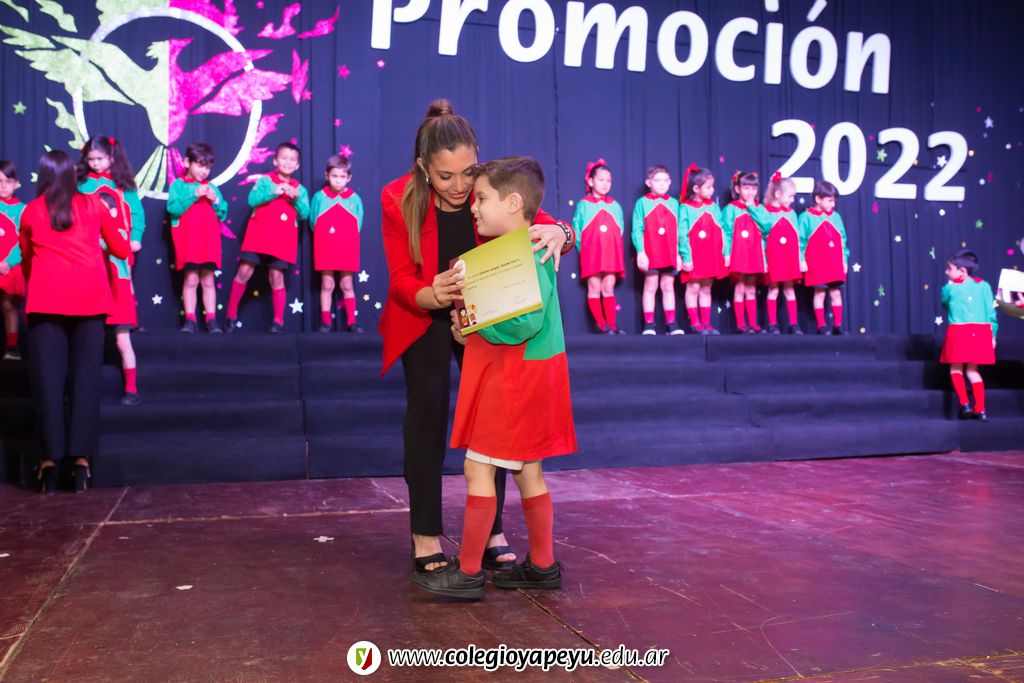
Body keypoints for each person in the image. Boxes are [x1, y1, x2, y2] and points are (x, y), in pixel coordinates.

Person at [378, 99, 573, 576]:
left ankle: (492, 532)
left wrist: (564, 233)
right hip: (425, 315)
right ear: (423, 168)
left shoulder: (489, 189)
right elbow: (400, 278)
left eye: (468, 173)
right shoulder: (397, 198)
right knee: (426, 414)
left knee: (494, 423)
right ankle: (425, 534)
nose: (461, 187)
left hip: (487, 322)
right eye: (445, 176)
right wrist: (431, 294)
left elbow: (541, 221)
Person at [413, 156, 576, 598]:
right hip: (525, 373)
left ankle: (467, 571)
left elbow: (523, 323)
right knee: (528, 469)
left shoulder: (524, 253)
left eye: (482, 198)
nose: (474, 206)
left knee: (478, 466)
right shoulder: (522, 249)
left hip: (515, 378)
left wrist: (476, 327)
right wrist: (469, 327)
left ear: (514, 203)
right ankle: (542, 565)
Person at [19, 150, 130, 492]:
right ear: (73, 174)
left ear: (43, 176)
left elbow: (27, 263)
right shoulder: (94, 205)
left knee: (48, 383)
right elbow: (122, 250)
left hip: (46, 302)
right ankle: (81, 460)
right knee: (86, 382)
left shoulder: (31, 210)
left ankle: (49, 462)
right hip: (90, 302)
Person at [77, 136, 145, 403]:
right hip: (89, 255)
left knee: (122, 295)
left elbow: (136, 214)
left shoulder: (123, 185)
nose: (95, 164)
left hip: (118, 254)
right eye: (91, 159)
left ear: (112, 158)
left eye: (100, 159)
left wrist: (134, 237)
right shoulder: (81, 184)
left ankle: (131, 388)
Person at [226, 142, 310, 333]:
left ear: (297, 165)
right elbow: (252, 200)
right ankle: (231, 315)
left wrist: (296, 199)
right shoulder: (265, 181)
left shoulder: (300, 189)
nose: (288, 162)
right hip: (258, 235)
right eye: (284, 157)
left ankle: (278, 321)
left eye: (292, 159)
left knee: (276, 276)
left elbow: (305, 213)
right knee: (244, 271)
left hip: (282, 240)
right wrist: (274, 192)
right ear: (275, 161)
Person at [167, 142, 228, 333]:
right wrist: (194, 194)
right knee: (191, 279)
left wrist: (216, 201)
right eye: (200, 165)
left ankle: (211, 319)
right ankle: (190, 319)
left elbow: (223, 213)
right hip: (189, 242)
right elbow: (173, 208)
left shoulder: (211, 187)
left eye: (207, 167)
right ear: (187, 162)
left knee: (208, 280)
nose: (204, 171)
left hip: (209, 241)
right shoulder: (178, 185)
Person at [940, 249, 997, 421]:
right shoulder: (984, 286)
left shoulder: (949, 288)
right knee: (973, 370)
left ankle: (965, 404)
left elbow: (945, 305)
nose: (946, 272)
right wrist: (993, 334)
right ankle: (981, 409)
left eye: (950, 269)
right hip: (981, 332)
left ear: (962, 271)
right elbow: (991, 314)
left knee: (956, 369)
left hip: (958, 332)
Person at [310, 155, 363, 333]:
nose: (338, 180)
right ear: (327, 175)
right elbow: (313, 222)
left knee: (347, 285)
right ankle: (325, 321)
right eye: (334, 176)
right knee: (327, 284)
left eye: (342, 176)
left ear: (349, 178)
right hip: (326, 246)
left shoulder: (354, 199)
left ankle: (352, 322)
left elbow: (359, 223)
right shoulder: (319, 197)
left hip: (347, 246)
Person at [572, 159, 625, 334]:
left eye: (608, 180)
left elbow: (620, 229)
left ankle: (612, 324)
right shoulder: (583, 204)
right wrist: (584, 251)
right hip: (591, 253)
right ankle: (601, 324)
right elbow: (577, 230)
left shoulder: (615, 205)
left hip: (611, 253)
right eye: (601, 180)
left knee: (608, 287)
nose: (605, 184)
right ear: (591, 181)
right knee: (594, 287)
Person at [746, 172, 802, 334]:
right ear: (778, 194)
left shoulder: (791, 213)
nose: (792, 200)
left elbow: (797, 238)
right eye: (790, 196)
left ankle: (793, 324)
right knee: (773, 289)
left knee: (790, 290)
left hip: (789, 257)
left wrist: (800, 259)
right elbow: (763, 232)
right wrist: (764, 260)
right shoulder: (767, 212)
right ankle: (772, 324)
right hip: (774, 257)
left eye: (794, 196)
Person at [632, 164, 683, 335]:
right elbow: (637, 229)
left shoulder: (674, 203)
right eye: (657, 180)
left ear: (670, 182)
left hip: (670, 252)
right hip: (651, 251)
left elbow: (679, 231)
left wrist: (679, 254)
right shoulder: (642, 203)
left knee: (668, 285)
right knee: (651, 284)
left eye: (665, 180)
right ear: (649, 182)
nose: (662, 184)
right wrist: (641, 251)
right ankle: (649, 324)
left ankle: (671, 323)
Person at [679, 164, 728, 335]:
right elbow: (682, 234)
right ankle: (695, 323)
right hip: (694, 255)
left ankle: (706, 323)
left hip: (711, 255)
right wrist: (686, 257)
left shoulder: (713, 206)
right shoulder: (685, 208)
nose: (712, 190)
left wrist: (725, 253)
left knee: (706, 288)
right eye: (708, 187)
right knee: (693, 288)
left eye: (712, 186)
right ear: (696, 188)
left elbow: (722, 230)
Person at [799, 180, 849, 335]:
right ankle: (821, 326)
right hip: (816, 263)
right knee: (819, 293)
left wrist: (844, 260)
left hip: (834, 263)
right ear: (818, 199)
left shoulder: (836, 217)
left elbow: (843, 239)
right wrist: (802, 260)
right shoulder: (806, 217)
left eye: (834, 201)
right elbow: (800, 240)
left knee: (836, 293)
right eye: (830, 200)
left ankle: (838, 326)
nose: (833, 204)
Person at [722, 171, 766, 334]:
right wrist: (727, 254)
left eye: (753, 189)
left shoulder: (759, 208)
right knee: (740, 287)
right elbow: (726, 232)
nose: (750, 192)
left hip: (754, 253)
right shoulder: (731, 209)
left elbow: (767, 225)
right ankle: (741, 324)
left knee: (751, 289)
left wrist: (752, 208)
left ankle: (753, 324)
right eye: (746, 188)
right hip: (739, 254)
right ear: (737, 189)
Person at [0, 160, 26, 359]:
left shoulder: (23, 210)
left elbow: (24, 241)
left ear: (16, 183)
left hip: (10, 266)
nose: (3, 186)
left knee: (9, 305)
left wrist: (9, 262)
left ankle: (12, 347)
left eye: (7, 181)